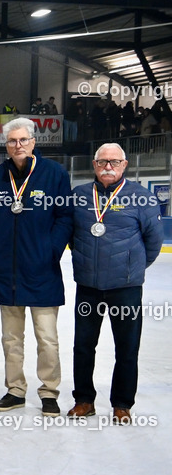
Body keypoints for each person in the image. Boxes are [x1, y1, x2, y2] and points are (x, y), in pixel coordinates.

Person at [0, 118, 73, 416]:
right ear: (6, 146)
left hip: (42, 271)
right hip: (6, 273)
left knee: (47, 338)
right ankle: (15, 389)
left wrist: (50, 251)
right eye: (11, 142)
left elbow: (65, 217)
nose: (17, 146)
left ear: (33, 143)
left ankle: (49, 391)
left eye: (22, 141)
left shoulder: (54, 173)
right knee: (11, 338)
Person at [68, 144, 162, 424]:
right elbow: (72, 237)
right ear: (94, 165)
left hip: (126, 288)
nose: (108, 166)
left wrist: (132, 267)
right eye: (102, 162)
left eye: (115, 162)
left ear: (125, 165)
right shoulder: (80, 197)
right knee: (83, 346)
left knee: (127, 346)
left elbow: (153, 243)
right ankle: (84, 400)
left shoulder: (142, 198)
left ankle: (122, 404)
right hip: (88, 286)